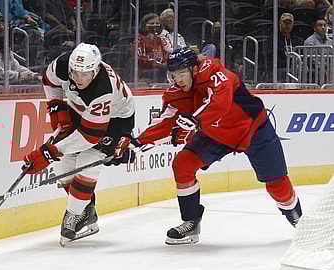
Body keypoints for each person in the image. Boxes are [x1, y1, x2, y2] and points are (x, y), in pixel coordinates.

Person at [129, 47, 302, 245]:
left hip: (254, 131)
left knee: (278, 186)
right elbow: (165, 121)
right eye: (174, 75)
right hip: (216, 135)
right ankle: (191, 222)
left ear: (194, 70)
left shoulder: (218, 75)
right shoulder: (177, 92)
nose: (178, 80)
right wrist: (136, 142)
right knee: (183, 164)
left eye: (182, 74)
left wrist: (195, 120)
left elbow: (220, 103)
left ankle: (300, 222)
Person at [23, 43, 135, 245]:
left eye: (85, 74)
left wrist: (49, 152)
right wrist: (56, 106)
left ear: (96, 69)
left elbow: (90, 137)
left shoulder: (102, 89)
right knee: (62, 162)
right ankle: (86, 210)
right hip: (80, 109)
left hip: (116, 119)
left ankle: (75, 213)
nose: (78, 78)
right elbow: (49, 82)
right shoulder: (62, 65)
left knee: (88, 159)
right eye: (75, 73)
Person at [0, 7, 42, 85]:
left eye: (2, 24)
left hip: (8, 83)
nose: (1, 27)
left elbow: (16, 67)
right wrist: (19, 75)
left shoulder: (4, 46)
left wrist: (34, 75)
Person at [131, 13, 171, 82]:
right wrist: (154, 63)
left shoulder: (159, 39)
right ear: (144, 25)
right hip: (145, 70)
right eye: (152, 23)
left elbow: (165, 55)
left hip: (160, 69)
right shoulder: (139, 39)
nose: (155, 26)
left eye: (157, 23)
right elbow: (137, 57)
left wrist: (165, 63)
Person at [269, 13, 303, 81]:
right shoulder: (273, 39)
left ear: (293, 25)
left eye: (289, 23)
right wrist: (289, 64)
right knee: (286, 72)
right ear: (280, 24)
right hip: (281, 67)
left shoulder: (297, 40)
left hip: (295, 67)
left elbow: (302, 55)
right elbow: (271, 57)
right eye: (285, 23)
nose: (287, 25)